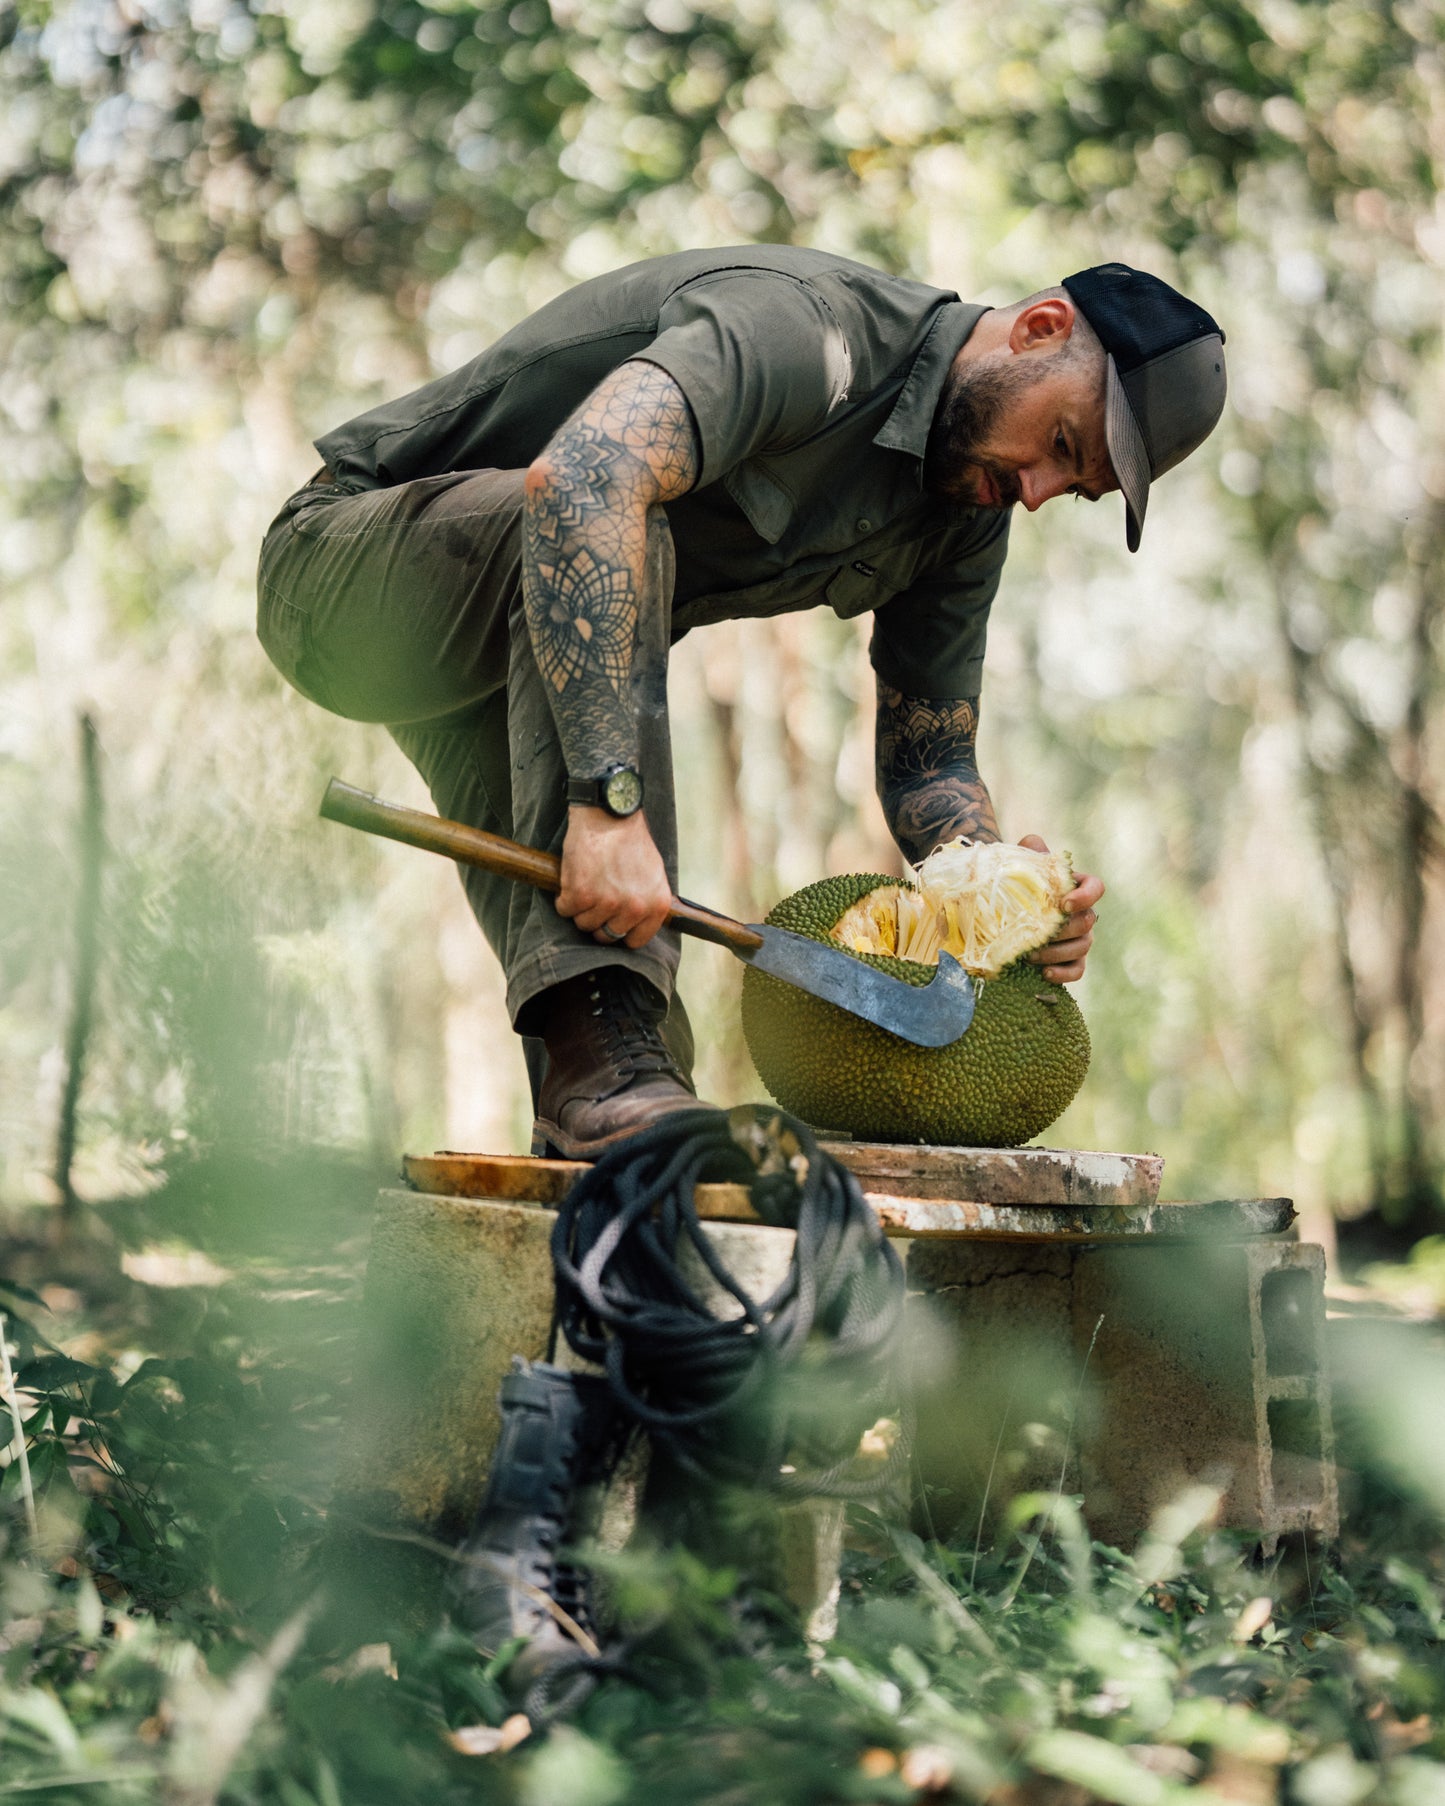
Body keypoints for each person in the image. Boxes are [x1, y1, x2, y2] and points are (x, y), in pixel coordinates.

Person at [257, 249, 1226, 1158]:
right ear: (1039, 328)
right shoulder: (802, 333)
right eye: (1059, 444)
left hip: (532, 647)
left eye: (1073, 488)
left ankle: (603, 1133)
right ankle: (607, 1050)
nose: (1035, 490)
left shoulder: (961, 514)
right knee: (623, 537)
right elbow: (584, 480)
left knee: (622, 1088)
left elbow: (928, 762)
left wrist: (998, 897)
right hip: (340, 571)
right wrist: (608, 800)